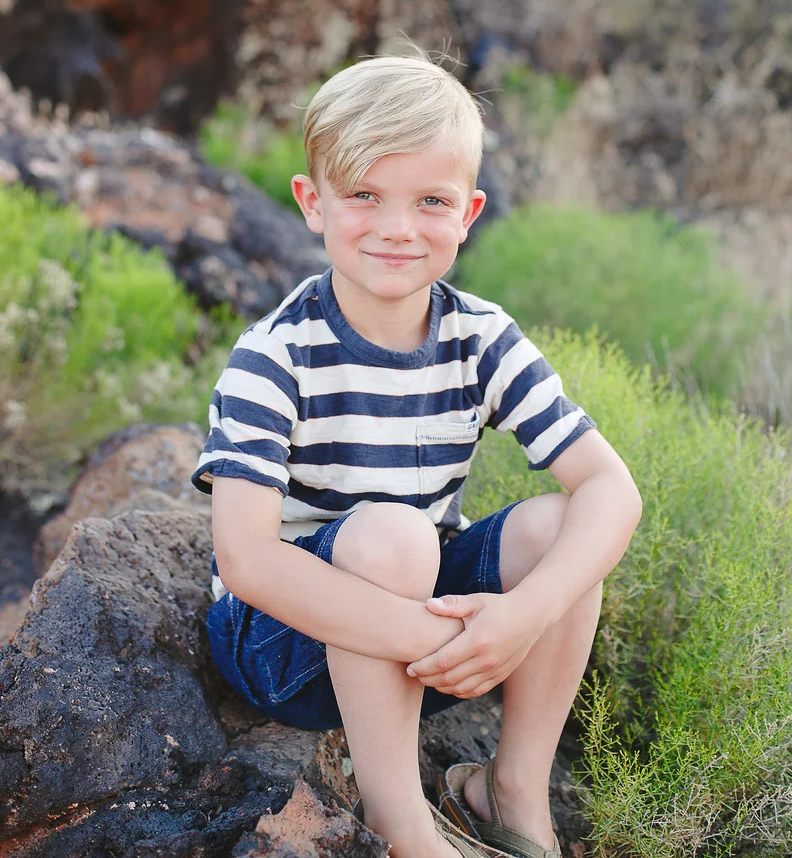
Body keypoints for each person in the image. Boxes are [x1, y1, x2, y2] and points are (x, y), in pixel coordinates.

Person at [191, 53, 642, 858]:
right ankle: (400, 823)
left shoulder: (481, 337)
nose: (398, 227)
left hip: (430, 643)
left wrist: (519, 618)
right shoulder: (274, 357)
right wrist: (432, 637)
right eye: (364, 195)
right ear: (313, 202)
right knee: (394, 535)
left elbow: (612, 488)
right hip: (284, 645)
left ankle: (511, 791)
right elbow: (248, 559)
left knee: (559, 525)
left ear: (468, 213)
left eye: (430, 201)